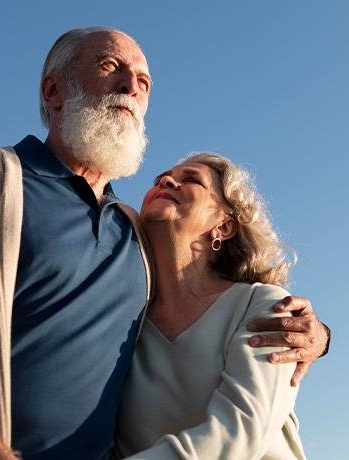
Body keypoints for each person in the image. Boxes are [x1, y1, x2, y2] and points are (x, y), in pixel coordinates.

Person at [0, 27, 329, 460]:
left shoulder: (133, 232)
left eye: (144, 82)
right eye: (110, 67)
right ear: (54, 90)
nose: (130, 87)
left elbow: (209, 307)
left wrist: (318, 336)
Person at [117, 153, 306, 459]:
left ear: (224, 226)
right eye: (158, 179)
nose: (166, 180)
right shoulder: (124, 325)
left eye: (191, 179)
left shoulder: (263, 305)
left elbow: (239, 434)